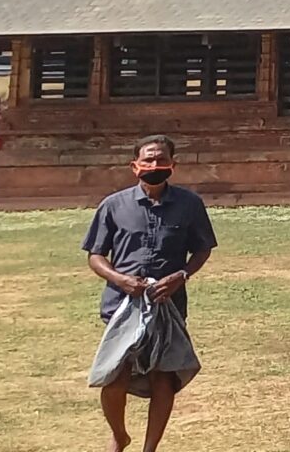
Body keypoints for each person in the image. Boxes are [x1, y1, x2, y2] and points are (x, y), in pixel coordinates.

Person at [83, 134, 216, 452]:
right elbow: (95, 255)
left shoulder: (189, 204)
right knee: (115, 374)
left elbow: (202, 249)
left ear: (173, 164)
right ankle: (119, 435)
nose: (154, 165)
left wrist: (181, 276)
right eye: (148, 159)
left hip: (168, 302)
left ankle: (150, 448)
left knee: (163, 376)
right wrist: (121, 279)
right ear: (134, 166)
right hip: (122, 302)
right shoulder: (114, 205)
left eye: (160, 159)